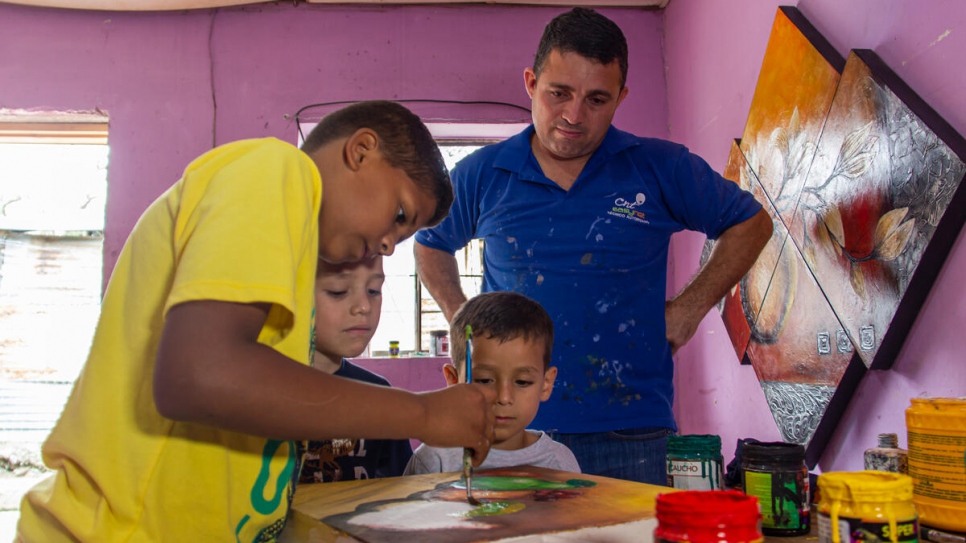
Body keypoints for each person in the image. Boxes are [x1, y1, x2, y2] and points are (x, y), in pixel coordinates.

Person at [17, 100, 495, 543]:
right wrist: (424, 413)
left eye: (405, 234)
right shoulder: (276, 169)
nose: (390, 244)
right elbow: (201, 376)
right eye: (398, 215)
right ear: (361, 151)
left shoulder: (289, 284)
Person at [413, 8, 772, 486]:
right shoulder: (483, 172)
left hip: (631, 432)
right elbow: (430, 242)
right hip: (505, 433)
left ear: (621, 97)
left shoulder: (660, 168)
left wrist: (688, 310)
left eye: (597, 99)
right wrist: (464, 323)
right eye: (558, 93)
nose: (573, 116)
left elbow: (751, 222)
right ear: (530, 82)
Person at [405, 291, 579, 475]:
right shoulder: (435, 461)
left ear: (546, 384)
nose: (504, 397)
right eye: (485, 380)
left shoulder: (560, 462)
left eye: (522, 382)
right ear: (454, 381)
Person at [297, 255, 413, 483]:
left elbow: (398, 493)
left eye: (373, 290)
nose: (364, 307)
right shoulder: (256, 392)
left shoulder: (380, 396)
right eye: (338, 291)